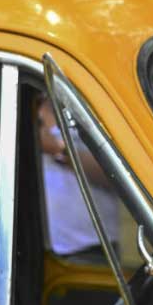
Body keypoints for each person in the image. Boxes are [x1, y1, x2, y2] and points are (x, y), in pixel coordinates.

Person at [36, 96, 119, 258]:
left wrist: (60, 150)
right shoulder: (25, 97)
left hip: (93, 247)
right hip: (44, 250)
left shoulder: (94, 105)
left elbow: (113, 175)